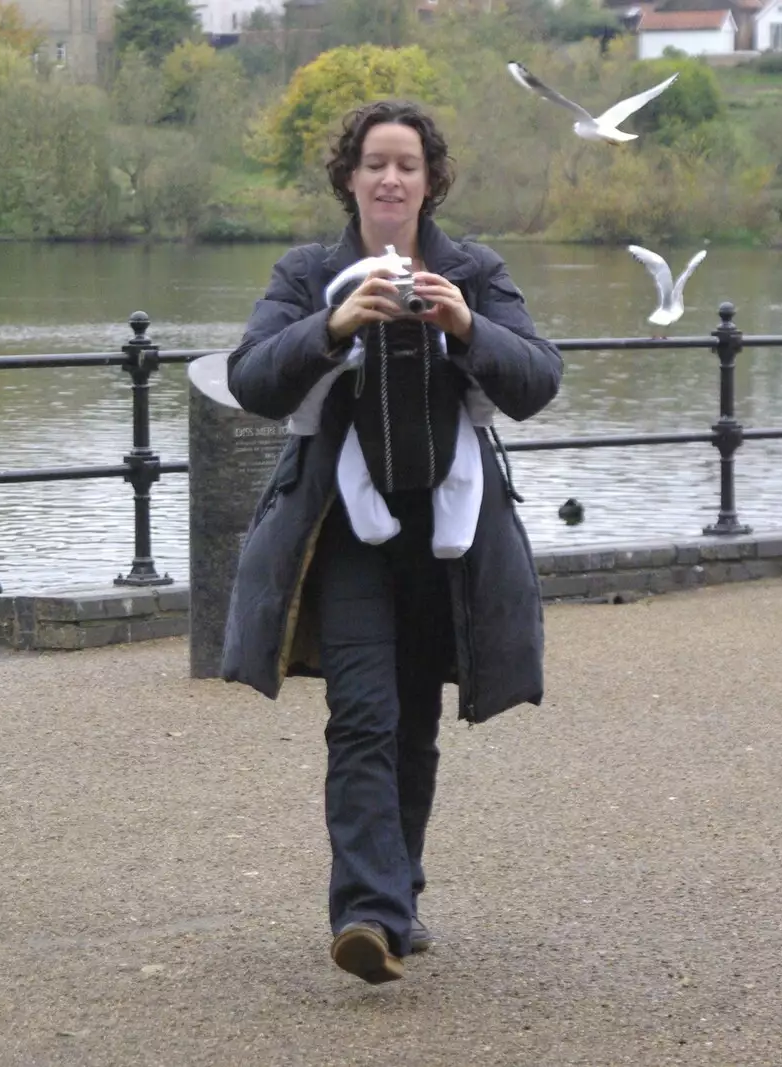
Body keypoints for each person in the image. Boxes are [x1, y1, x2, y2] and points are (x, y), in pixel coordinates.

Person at [220, 99, 563, 985]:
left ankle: (396, 894)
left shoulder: (473, 271)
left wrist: (468, 327)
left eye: (407, 164)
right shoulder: (306, 273)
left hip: (448, 541)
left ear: (430, 180)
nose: (390, 178)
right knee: (363, 713)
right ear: (349, 177)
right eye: (375, 162)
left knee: (412, 720)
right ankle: (367, 914)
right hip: (344, 536)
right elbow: (250, 378)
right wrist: (333, 326)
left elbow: (538, 381)